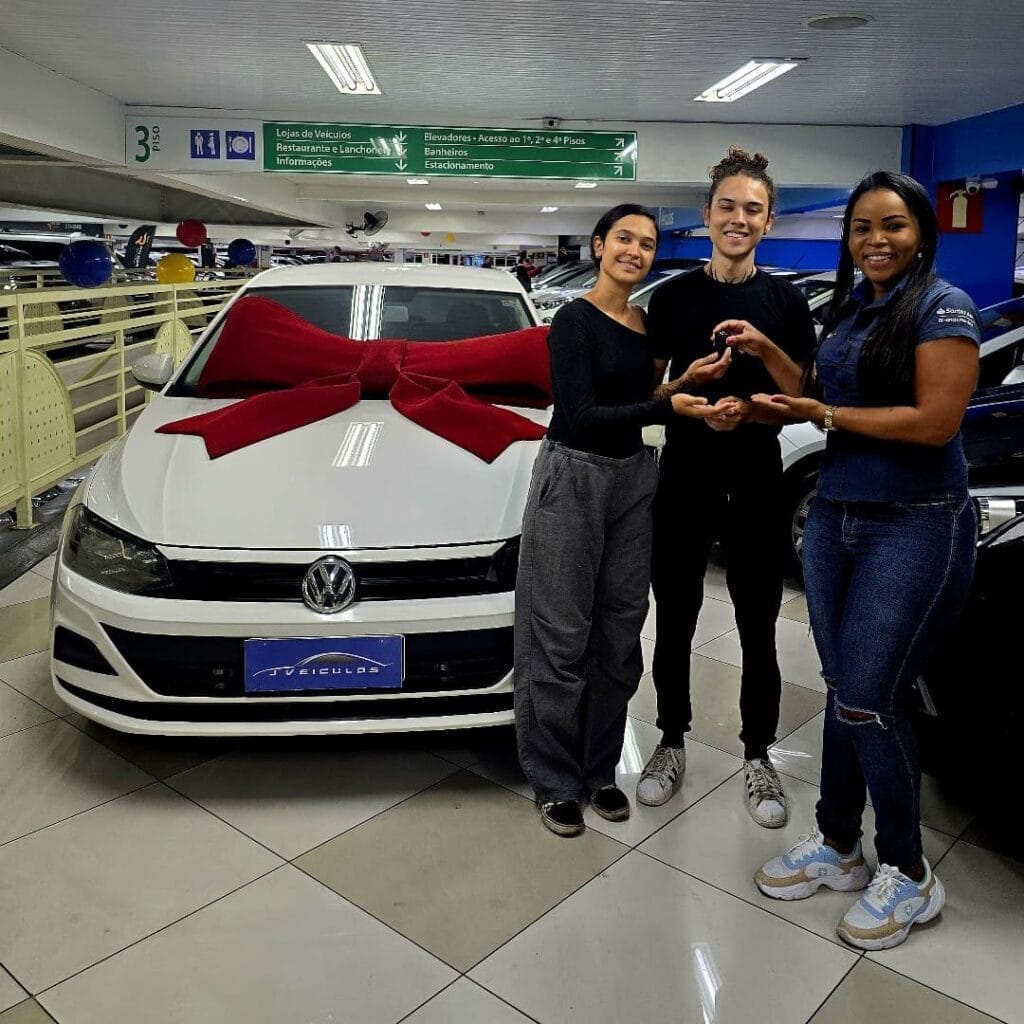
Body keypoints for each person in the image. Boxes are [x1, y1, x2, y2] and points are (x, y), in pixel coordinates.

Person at [754, 171, 981, 950]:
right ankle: (839, 844)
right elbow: (819, 391)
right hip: (836, 516)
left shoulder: (944, 307)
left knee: (869, 698)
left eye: (892, 225)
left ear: (922, 232)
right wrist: (766, 354)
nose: (875, 240)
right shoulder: (855, 308)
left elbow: (935, 421)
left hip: (914, 523)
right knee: (845, 687)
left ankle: (909, 873)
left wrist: (821, 412)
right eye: (861, 228)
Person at [515, 204, 727, 838]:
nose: (635, 251)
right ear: (599, 245)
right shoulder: (573, 321)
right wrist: (666, 406)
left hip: (634, 480)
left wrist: (676, 388)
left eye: (647, 243)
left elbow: (639, 402)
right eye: (624, 239)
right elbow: (582, 416)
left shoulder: (643, 323)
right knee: (561, 633)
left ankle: (599, 767)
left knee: (619, 632)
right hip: (574, 475)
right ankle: (555, 779)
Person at [636, 148, 816, 826]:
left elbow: (802, 397)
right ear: (707, 214)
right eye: (727, 207)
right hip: (686, 472)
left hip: (757, 473)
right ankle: (670, 738)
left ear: (769, 221)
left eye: (753, 209)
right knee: (676, 614)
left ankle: (758, 754)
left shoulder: (785, 302)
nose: (738, 219)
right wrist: (689, 395)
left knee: (757, 621)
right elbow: (648, 393)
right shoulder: (674, 298)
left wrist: (760, 371)